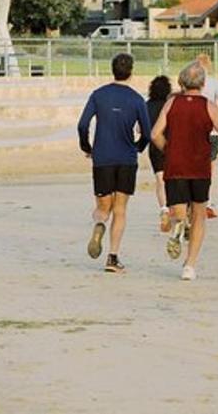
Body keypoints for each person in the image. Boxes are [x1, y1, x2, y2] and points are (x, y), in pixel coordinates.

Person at [151, 61, 218, 281]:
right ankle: (189, 266)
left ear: (181, 82)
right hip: (199, 167)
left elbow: (154, 133)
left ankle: (178, 225)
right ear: (204, 83)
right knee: (198, 215)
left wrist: (168, 150)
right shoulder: (209, 106)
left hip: (175, 165)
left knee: (178, 211)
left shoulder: (171, 104)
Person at [77, 53, 151, 273]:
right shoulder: (137, 99)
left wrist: (86, 146)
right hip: (126, 158)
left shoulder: (98, 95)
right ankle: (112, 257)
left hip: (103, 157)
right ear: (131, 71)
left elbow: (82, 125)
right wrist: (139, 146)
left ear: (112, 69)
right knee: (120, 209)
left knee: (103, 207)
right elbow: (147, 132)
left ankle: (99, 223)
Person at [196, 53, 218, 219]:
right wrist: (217, 117)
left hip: (193, 129)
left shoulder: (192, 82)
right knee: (209, 167)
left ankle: (192, 201)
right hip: (211, 130)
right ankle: (207, 202)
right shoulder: (215, 83)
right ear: (209, 66)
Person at [145, 75, 173, 232]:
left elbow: (140, 129)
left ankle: (164, 209)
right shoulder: (170, 105)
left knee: (160, 180)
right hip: (172, 145)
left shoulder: (147, 105)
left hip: (155, 147)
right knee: (174, 180)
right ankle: (178, 211)